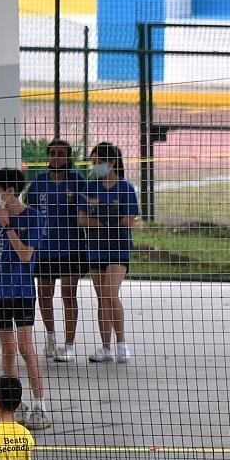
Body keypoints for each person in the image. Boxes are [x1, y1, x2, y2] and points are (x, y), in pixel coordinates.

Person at [0, 168, 52, 430]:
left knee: (25, 346)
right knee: (8, 349)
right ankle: (13, 404)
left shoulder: (34, 217)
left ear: (11, 191)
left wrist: (8, 225)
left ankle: (39, 404)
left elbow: (25, 256)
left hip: (21, 291)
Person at [24, 140, 89, 364]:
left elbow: (86, 210)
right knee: (44, 294)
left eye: (61, 154)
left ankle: (69, 345)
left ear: (68, 158)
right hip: (44, 247)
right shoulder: (38, 184)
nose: (56, 158)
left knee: (69, 294)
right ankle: (50, 337)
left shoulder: (78, 181)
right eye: (52, 153)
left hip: (71, 246)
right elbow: (28, 214)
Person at [79, 142, 140, 364]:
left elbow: (128, 221)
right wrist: (110, 219)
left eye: (98, 162)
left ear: (111, 162)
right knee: (101, 297)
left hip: (118, 248)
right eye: (93, 162)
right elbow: (83, 219)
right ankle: (105, 347)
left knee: (110, 293)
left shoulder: (125, 188)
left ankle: (121, 343)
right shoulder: (90, 188)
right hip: (95, 249)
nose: (95, 166)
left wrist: (102, 219)